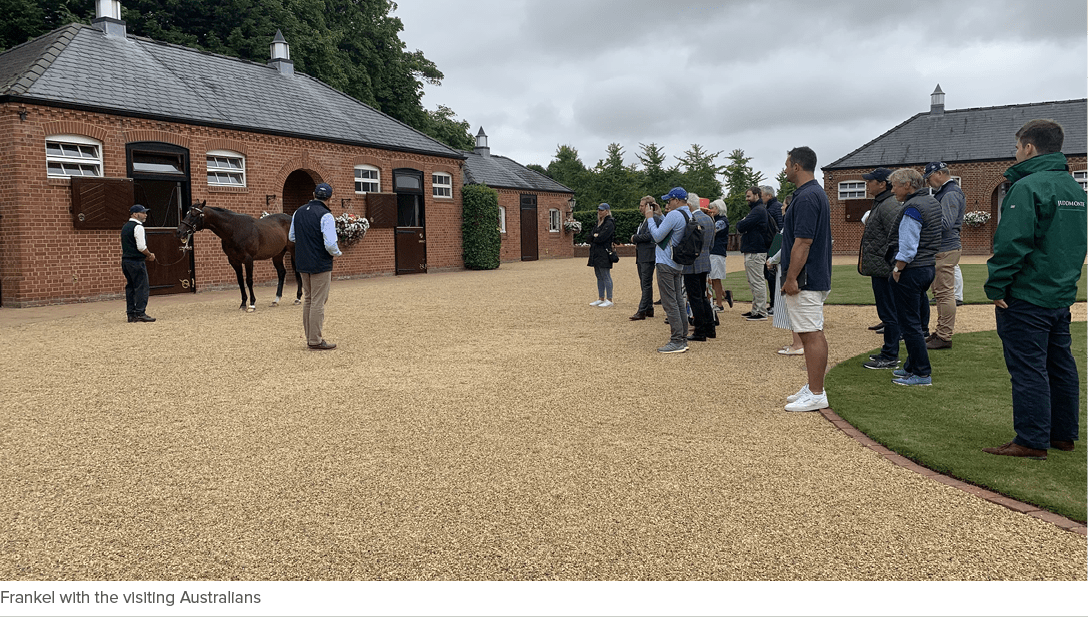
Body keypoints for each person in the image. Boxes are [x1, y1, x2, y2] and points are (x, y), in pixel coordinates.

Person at [982, 119, 1087, 460]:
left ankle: (1031, 439)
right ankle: (1062, 435)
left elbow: (1013, 243)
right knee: (1060, 364)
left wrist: (997, 284)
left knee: (1029, 368)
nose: (1015, 154)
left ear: (1028, 147)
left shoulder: (1027, 187)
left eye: (1016, 148)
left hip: (1027, 294)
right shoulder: (1074, 189)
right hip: (1060, 292)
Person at [780, 147, 833, 412]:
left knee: (811, 334)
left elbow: (803, 241)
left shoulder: (807, 197)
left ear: (797, 166)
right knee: (807, 330)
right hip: (810, 276)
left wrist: (791, 278)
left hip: (806, 278)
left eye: (787, 164)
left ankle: (816, 392)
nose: (785, 169)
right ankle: (812, 386)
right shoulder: (811, 193)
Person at [884, 168, 942, 386]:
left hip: (912, 269)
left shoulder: (913, 207)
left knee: (910, 324)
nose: (893, 190)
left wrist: (897, 269)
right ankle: (911, 366)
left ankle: (921, 372)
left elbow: (908, 246)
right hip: (927, 266)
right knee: (914, 320)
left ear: (907, 185)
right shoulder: (932, 202)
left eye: (895, 185)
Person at [857, 168, 903, 370]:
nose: (868, 184)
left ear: (883, 184)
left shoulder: (888, 205)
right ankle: (888, 351)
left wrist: (894, 266)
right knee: (887, 313)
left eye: (871, 181)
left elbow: (897, 238)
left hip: (885, 269)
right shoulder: (882, 203)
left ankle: (891, 355)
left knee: (890, 313)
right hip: (880, 267)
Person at [289, 182, 342, 350]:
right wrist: (338, 253)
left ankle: (310, 337)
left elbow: (292, 237)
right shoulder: (326, 216)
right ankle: (315, 340)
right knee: (318, 301)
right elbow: (330, 244)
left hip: (302, 261)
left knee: (309, 299)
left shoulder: (298, 212)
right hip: (320, 262)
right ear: (330, 198)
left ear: (314, 194)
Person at [923, 161, 966, 350]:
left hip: (945, 248)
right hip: (944, 248)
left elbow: (946, 223)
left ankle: (944, 335)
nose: (928, 182)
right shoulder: (947, 192)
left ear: (940, 173)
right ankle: (941, 332)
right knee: (941, 293)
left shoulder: (950, 193)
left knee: (944, 293)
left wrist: (922, 221)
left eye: (930, 177)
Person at [645, 187, 692, 353]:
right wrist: (660, 215)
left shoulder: (674, 214)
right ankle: (683, 337)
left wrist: (650, 218)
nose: (668, 203)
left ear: (677, 200)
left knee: (669, 302)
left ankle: (677, 340)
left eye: (669, 200)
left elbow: (657, 236)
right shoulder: (688, 214)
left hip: (666, 261)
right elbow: (673, 229)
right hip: (678, 262)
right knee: (679, 301)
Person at [682, 192, 716, 341]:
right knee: (702, 296)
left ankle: (700, 331)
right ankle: (710, 328)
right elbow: (711, 244)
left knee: (694, 298)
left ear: (689, 205)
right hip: (705, 261)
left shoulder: (691, 219)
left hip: (692, 263)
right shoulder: (708, 219)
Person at [736, 186, 770, 321]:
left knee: (757, 281)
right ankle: (756, 309)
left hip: (756, 251)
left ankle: (761, 311)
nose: (747, 199)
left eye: (749, 196)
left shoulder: (758, 211)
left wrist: (743, 222)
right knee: (753, 281)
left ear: (757, 195)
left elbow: (741, 226)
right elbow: (742, 225)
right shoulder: (756, 210)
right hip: (753, 250)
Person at [121, 204, 156, 322]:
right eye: (143, 212)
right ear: (135, 214)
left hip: (126, 261)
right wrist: (149, 255)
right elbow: (141, 246)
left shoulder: (125, 227)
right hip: (136, 262)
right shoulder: (138, 227)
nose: (145, 215)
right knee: (142, 287)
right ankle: (140, 312)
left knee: (130, 287)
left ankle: (131, 313)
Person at [630, 197, 663, 320]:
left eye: (642, 205)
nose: (640, 208)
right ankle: (649, 308)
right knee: (644, 283)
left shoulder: (653, 218)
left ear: (649, 207)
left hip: (648, 254)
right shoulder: (646, 219)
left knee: (646, 283)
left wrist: (635, 238)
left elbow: (651, 236)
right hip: (643, 254)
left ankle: (642, 310)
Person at [587, 203, 616, 308]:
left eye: (602, 210)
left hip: (604, 252)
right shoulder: (598, 223)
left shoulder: (609, 223)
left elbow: (601, 238)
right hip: (596, 252)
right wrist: (595, 236)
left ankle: (609, 299)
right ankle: (601, 298)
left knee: (606, 275)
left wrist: (595, 236)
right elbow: (589, 237)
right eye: (599, 210)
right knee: (599, 276)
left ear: (607, 211)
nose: (600, 212)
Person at [706, 199, 733, 311]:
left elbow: (711, 230)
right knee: (712, 278)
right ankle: (724, 294)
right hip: (712, 252)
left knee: (716, 278)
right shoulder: (716, 219)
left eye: (714, 208)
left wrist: (709, 217)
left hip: (717, 252)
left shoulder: (722, 221)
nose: (711, 210)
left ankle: (719, 304)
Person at [761, 185, 783, 314]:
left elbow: (780, 229)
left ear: (769, 196)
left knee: (773, 277)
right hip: (770, 246)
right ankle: (773, 303)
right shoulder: (769, 207)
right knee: (770, 277)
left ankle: (775, 305)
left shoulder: (776, 207)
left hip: (774, 246)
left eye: (762, 195)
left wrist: (774, 252)